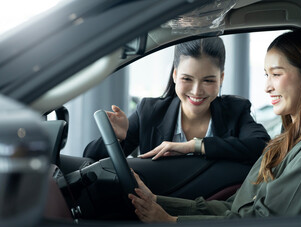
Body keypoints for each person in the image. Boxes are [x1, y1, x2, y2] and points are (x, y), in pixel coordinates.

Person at [127, 28, 301, 222]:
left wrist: (171, 222)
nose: (267, 87)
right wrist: (157, 202)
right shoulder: (289, 139)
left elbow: (264, 224)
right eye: (266, 75)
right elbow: (234, 209)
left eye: (276, 74)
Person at [83, 37, 270, 162]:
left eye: (208, 80)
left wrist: (195, 146)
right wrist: (116, 138)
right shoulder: (150, 111)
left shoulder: (236, 110)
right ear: (174, 75)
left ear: (221, 78)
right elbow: (90, 159)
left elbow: (262, 146)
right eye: (187, 79)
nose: (197, 91)